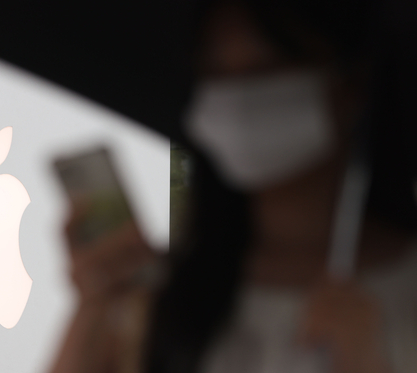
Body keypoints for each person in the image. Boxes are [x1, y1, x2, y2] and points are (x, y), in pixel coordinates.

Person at [48, 1, 417, 373]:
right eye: (216, 73)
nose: (239, 99)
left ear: (350, 84)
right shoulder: (160, 296)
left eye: (267, 67)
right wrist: (93, 309)